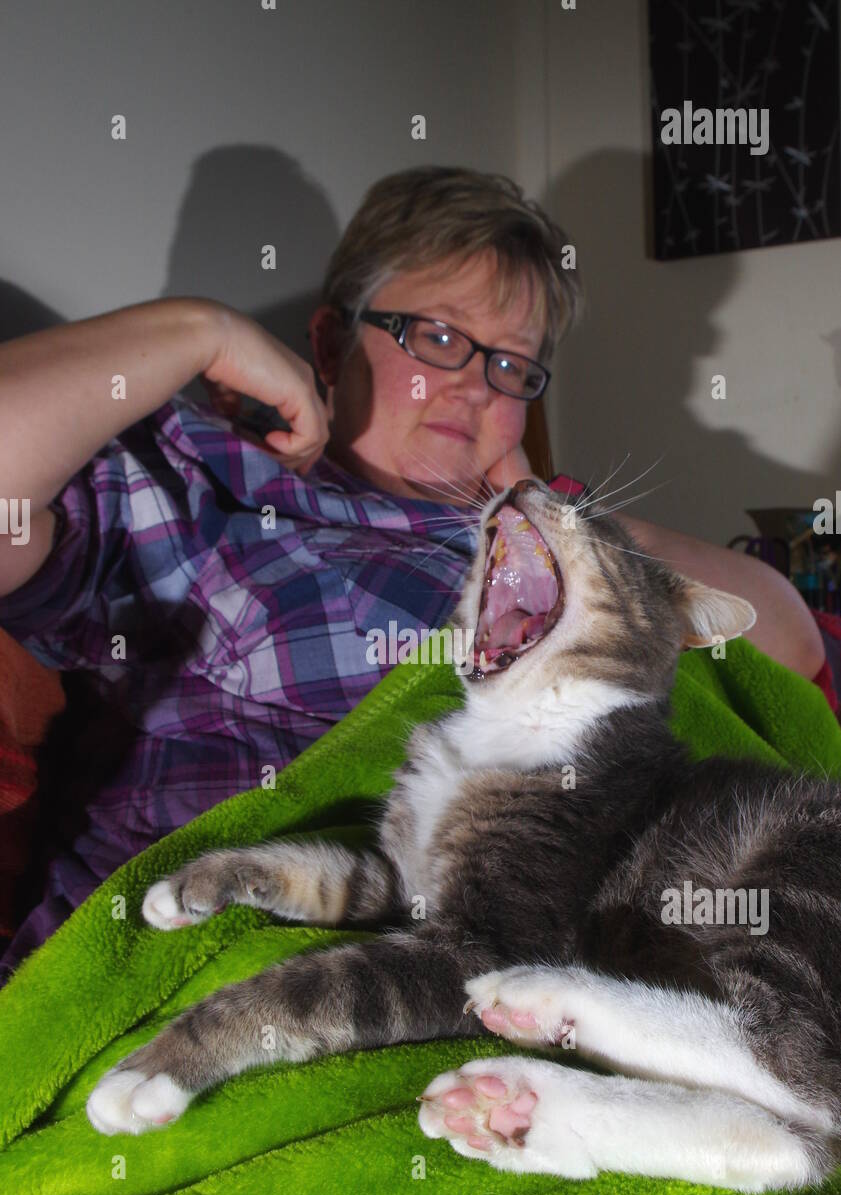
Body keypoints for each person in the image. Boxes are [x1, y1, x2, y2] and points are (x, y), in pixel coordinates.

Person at [0, 166, 831, 983]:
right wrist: (198, 330)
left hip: (530, 954)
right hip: (220, 951)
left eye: (513, 367)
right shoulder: (217, 489)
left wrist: (559, 518)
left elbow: (784, 638)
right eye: (437, 337)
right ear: (329, 343)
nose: (475, 387)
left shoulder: (536, 541)